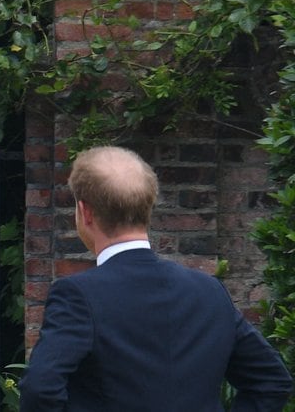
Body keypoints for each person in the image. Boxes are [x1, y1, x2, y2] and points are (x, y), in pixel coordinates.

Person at [19, 145, 293, 411]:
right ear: (148, 205)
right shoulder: (209, 290)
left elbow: (41, 390)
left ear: (85, 211)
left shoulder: (77, 295)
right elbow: (270, 382)